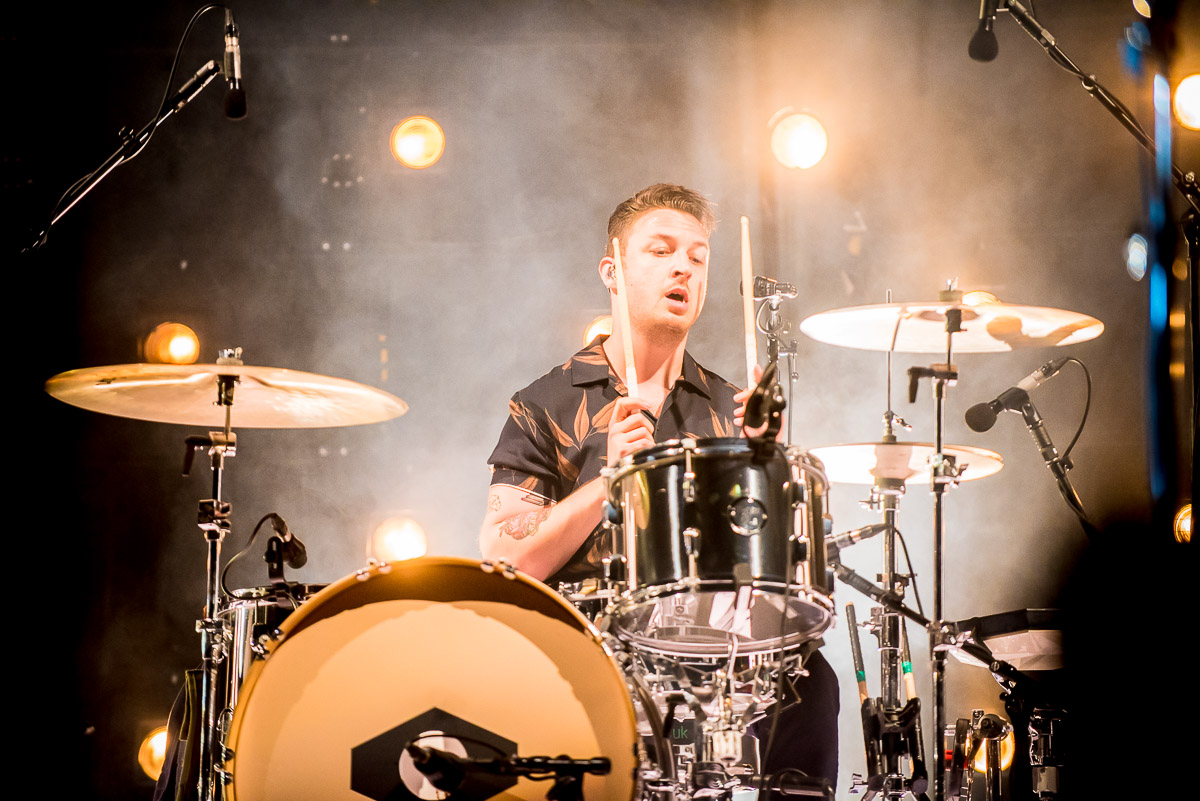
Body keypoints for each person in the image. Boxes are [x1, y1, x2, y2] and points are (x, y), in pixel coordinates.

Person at [479, 183, 839, 787]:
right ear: (612, 272)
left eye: (698, 258)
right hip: (588, 651)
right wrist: (610, 480)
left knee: (810, 680)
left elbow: (775, 575)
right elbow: (504, 557)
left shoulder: (730, 407)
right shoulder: (545, 403)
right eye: (661, 251)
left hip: (712, 651)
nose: (683, 268)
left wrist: (766, 466)